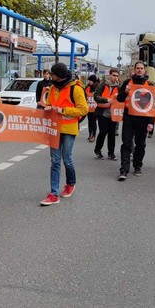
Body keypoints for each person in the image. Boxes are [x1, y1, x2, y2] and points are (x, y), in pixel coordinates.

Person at [40, 62, 88, 206]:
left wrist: (64, 110)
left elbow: (83, 109)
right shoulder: (53, 87)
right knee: (55, 161)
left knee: (67, 159)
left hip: (69, 129)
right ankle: (53, 194)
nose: (50, 76)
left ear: (59, 76)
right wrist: (47, 108)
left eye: (53, 74)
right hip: (54, 129)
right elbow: (48, 104)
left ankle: (71, 183)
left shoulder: (76, 89)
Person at [116, 61, 154, 181]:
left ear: (144, 70)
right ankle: (124, 170)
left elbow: (153, 106)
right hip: (129, 116)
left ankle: (137, 166)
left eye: (141, 68)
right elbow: (119, 98)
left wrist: (151, 122)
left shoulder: (150, 84)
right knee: (126, 143)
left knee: (140, 144)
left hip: (143, 118)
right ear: (134, 69)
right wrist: (125, 91)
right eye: (137, 68)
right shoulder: (128, 82)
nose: (139, 70)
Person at [93, 68, 120, 160]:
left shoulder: (119, 87)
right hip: (102, 113)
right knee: (103, 132)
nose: (115, 77)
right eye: (114, 75)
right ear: (110, 75)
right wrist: (106, 100)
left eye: (117, 75)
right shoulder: (102, 85)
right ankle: (97, 150)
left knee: (112, 134)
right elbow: (96, 96)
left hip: (114, 114)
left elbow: (122, 98)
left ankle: (111, 153)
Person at [86, 74, 99, 142]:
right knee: (89, 121)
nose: (89, 82)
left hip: (95, 108)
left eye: (90, 80)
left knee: (93, 121)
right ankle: (90, 134)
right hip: (89, 107)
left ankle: (93, 135)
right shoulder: (87, 87)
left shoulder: (98, 87)